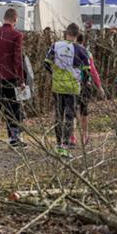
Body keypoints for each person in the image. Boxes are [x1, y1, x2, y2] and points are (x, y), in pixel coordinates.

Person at [43, 23, 89, 158]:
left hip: (58, 86)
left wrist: (54, 74)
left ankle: (58, 145)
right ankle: (64, 146)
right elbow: (87, 71)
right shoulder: (81, 50)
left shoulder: (56, 46)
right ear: (77, 35)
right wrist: (82, 83)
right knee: (69, 116)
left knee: (58, 115)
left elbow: (46, 63)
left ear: (66, 33)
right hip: (73, 88)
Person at [0, 7, 26, 148]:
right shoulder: (17, 35)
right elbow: (18, 59)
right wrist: (21, 79)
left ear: (4, 18)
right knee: (14, 107)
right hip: (11, 76)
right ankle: (14, 138)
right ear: (15, 20)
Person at [73, 33, 104, 147]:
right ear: (83, 41)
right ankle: (85, 136)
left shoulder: (70, 51)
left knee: (74, 110)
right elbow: (93, 71)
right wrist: (99, 87)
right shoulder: (87, 53)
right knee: (84, 111)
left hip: (73, 83)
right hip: (86, 84)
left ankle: (72, 136)